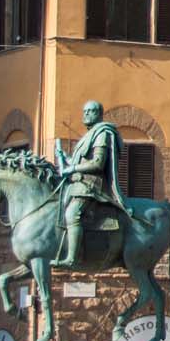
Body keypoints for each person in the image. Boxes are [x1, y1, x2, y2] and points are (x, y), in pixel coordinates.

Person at [52, 100, 128, 268]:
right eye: (84, 111)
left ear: (99, 114)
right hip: (78, 184)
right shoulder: (88, 135)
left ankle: (71, 258)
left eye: (91, 111)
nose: (86, 114)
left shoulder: (102, 133)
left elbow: (97, 163)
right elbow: (80, 162)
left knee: (72, 214)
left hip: (91, 185)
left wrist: (71, 168)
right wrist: (65, 158)